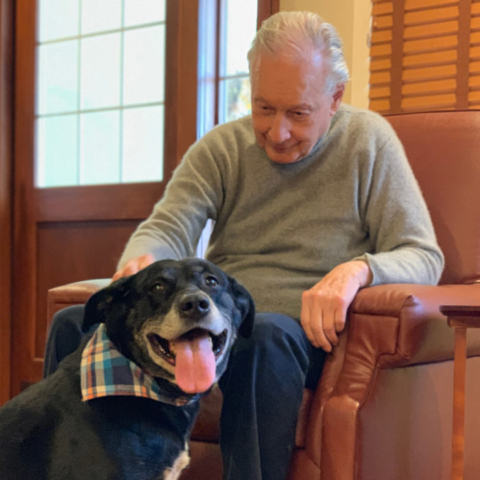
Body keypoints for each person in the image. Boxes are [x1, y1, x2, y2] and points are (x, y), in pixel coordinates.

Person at [44, 11, 444, 480]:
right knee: (76, 321)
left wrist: (357, 271)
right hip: (214, 319)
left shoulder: (369, 143)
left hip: (297, 335)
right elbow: (169, 225)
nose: (277, 132)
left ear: (334, 98)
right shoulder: (221, 148)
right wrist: (143, 260)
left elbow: (423, 254)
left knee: (264, 338)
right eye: (263, 108)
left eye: (298, 113)